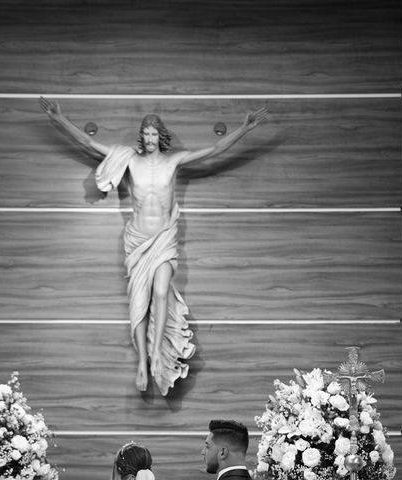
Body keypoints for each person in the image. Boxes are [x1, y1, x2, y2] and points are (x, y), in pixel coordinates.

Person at [40, 98, 268, 395]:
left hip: (163, 238)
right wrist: (59, 118)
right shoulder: (128, 159)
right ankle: (142, 364)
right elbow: (86, 142)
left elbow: (214, 151)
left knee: (160, 292)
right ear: (141, 136)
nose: (148, 139)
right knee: (138, 304)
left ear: (160, 136)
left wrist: (245, 128)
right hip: (137, 239)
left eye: (152, 134)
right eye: (144, 134)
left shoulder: (174, 161)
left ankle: (158, 352)